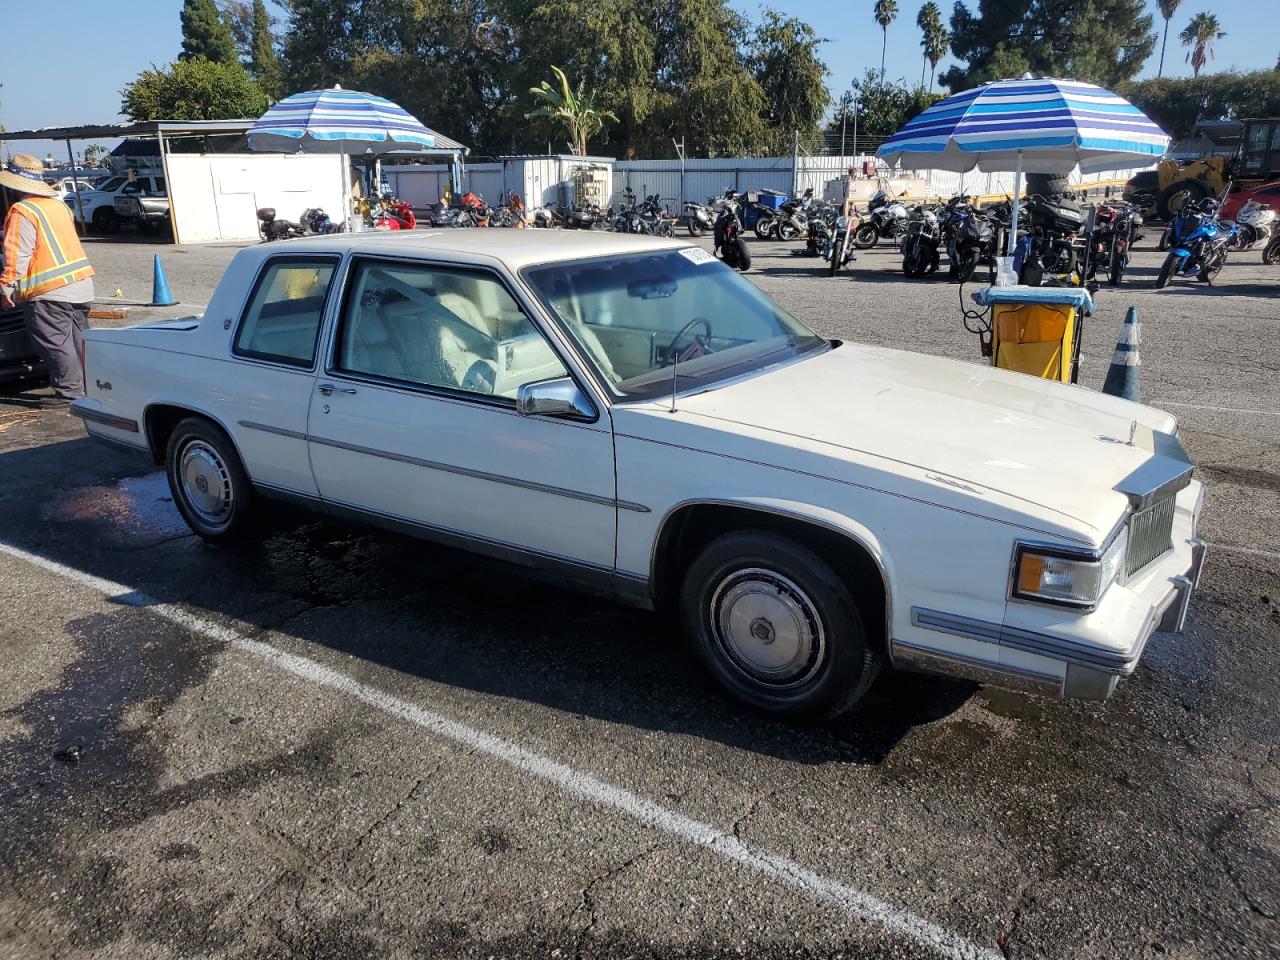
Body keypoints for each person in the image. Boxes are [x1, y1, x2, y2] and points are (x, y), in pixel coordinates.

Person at [0, 153, 96, 406]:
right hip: (80, 284)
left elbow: (18, 252)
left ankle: (69, 393)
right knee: (80, 341)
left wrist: (7, 285)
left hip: (49, 290)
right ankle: (89, 388)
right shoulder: (58, 205)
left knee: (55, 343)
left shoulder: (22, 210)